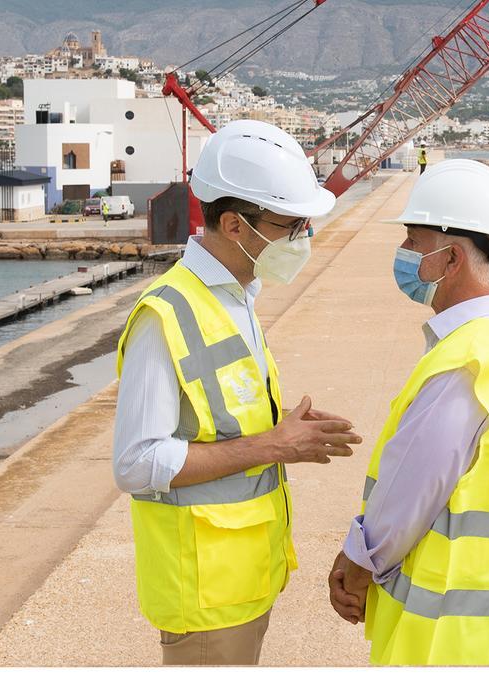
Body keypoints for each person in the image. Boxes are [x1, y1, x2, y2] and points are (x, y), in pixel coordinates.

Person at [112, 119, 362, 666]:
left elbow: (218, 417)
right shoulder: (166, 314)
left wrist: (285, 431)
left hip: (243, 578)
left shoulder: (237, 296)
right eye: (291, 225)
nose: (303, 239)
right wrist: (275, 445)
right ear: (234, 224)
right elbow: (135, 464)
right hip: (203, 594)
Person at [327, 159, 489, 665]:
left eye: (413, 241)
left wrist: (357, 564)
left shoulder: (466, 363)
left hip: (437, 637)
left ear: (452, 260)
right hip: (473, 632)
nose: (402, 254)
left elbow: (411, 491)